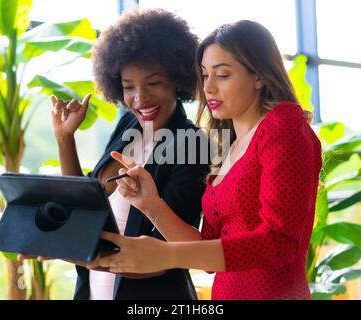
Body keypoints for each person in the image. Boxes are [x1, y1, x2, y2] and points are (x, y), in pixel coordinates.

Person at [84, 20, 323, 300]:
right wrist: (150, 205)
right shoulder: (228, 147)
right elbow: (209, 249)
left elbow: (279, 243)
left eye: (222, 75)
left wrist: (166, 255)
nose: (207, 88)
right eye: (204, 75)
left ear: (259, 76)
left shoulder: (283, 127)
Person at [21, 9, 210, 300]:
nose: (140, 98)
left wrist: (73, 250)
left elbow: (166, 256)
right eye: (128, 87)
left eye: (153, 83)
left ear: (177, 78)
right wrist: (64, 138)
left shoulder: (191, 142)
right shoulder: (128, 126)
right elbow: (85, 203)